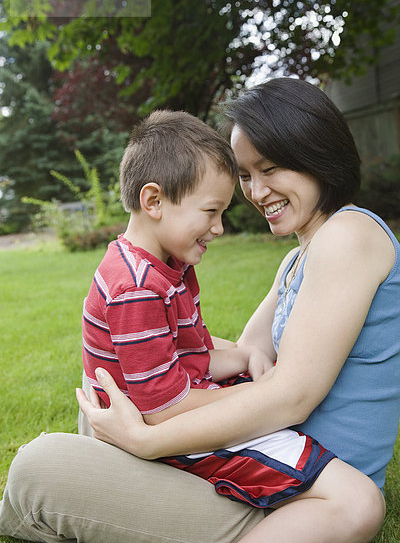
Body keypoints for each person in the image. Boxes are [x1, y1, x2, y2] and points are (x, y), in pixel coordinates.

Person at [0, 79, 395, 543]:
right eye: (246, 175)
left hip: (294, 492)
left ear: (315, 153)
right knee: (106, 400)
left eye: (268, 169)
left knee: (39, 467)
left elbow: (292, 396)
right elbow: (244, 351)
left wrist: (146, 438)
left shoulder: (348, 234)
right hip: (252, 464)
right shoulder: (297, 260)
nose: (256, 191)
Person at [79, 108, 359, 534]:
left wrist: (243, 358)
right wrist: (262, 397)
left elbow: (191, 359)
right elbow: (163, 410)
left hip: (175, 411)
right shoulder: (136, 289)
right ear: (153, 201)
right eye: (210, 211)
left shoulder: (165, 267)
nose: (219, 228)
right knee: (348, 493)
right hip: (172, 436)